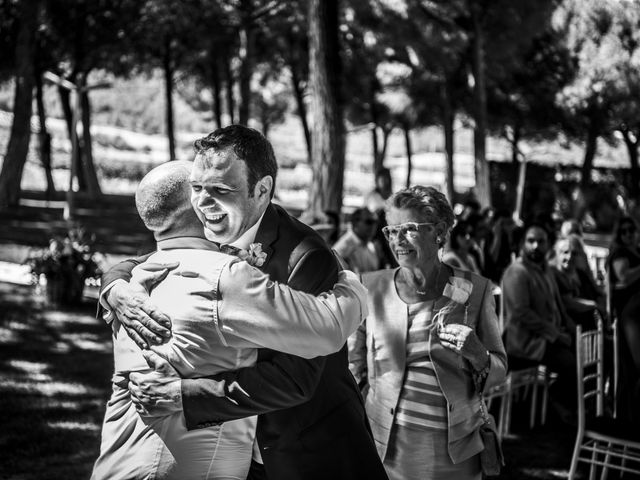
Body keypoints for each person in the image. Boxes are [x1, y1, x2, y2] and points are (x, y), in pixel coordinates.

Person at [98, 126, 388, 480]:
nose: (203, 203)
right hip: (235, 456)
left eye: (221, 190)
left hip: (305, 451)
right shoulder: (208, 228)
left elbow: (294, 379)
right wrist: (114, 288)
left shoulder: (306, 256)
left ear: (262, 190)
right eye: (197, 188)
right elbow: (145, 258)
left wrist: (183, 395)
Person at [349, 186, 507, 480]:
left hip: (455, 453)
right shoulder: (369, 288)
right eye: (391, 230)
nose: (397, 240)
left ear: (440, 231)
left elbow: (499, 372)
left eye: (408, 229)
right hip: (387, 449)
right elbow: (353, 367)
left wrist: (478, 353)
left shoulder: (477, 290)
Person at [502, 222, 577, 423]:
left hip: (546, 337)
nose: (536, 246)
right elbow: (521, 313)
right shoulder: (516, 271)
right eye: (531, 241)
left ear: (548, 245)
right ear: (523, 244)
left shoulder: (546, 270)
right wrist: (555, 334)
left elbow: (557, 304)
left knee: (583, 351)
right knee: (569, 362)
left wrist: (568, 326)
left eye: (541, 241)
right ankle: (557, 402)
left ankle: (575, 411)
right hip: (525, 344)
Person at [607, 216, 640, 426]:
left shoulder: (637, 251)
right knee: (633, 368)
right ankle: (629, 419)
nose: (628, 234)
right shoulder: (619, 253)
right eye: (624, 231)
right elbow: (624, 277)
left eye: (632, 230)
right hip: (629, 316)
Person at [550, 235, 604, 329]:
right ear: (556, 253)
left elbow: (597, 294)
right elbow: (568, 303)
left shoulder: (581, 274)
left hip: (589, 329)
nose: (570, 257)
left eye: (574, 253)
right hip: (568, 329)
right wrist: (593, 305)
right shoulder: (553, 275)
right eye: (565, 252)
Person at [333, 207, 382, 273]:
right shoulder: (343, 248)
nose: (373, 226)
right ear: (355, 224)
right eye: (369, 222)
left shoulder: (370, 245)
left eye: (376, 222)